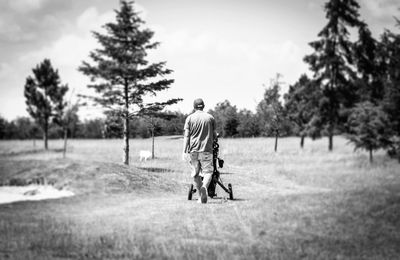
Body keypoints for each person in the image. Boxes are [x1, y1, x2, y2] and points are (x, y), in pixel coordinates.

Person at [182, 98, 217, 204]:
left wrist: (184, 151)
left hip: (193, 151)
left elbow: (187, 136)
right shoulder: (210, 117)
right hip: (207, 150)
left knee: (195, 174)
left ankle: (201, 195)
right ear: (203, 106)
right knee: (208, 172)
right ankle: (204, 189)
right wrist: (214, 137)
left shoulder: (189, 118)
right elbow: (214, 134)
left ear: (194, 106)